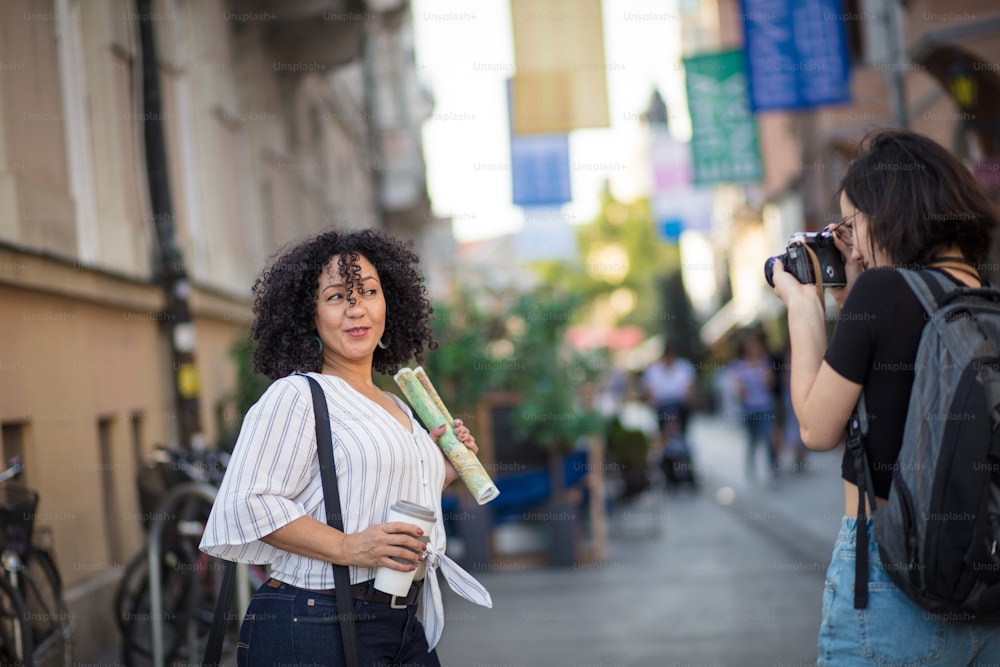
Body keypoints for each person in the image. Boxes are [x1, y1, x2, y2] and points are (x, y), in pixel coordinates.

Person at [200, 229, 491, 666]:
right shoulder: (298, 395)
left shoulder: (395, 404)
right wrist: (348, 547)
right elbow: (247, 504)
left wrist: (440, 471)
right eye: (337, 297)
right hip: (314, 621)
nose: (357, 308)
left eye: (369, 292)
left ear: (388, 303)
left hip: (398, 620)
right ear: (308, 315)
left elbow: (376, 500)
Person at [771, 129, 1000, 664]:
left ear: (887, 211)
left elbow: (816, 428)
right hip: (985, 581)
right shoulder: (985, 302)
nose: (850, 241)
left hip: (891, 578)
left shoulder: (881, 293)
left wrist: (805, 309)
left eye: (851, 224)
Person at [729, 329, 779, 484]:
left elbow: (771, 383)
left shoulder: (765, 362)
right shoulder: (739, 365)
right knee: (752, 441)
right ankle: (752, 472)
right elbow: (737, 390)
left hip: (765, 406)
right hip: (749, 408)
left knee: (768, 439)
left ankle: (773, 471)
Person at [640, 340, 697, 443]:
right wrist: (652, 399)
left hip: (680, 405)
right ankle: (664, 441)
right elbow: (648, 388)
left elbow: (690, 386)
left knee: (682, 422)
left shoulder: (684, 367)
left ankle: (681, 440)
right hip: (662, 406)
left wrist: (688, 397)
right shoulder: (654, 369)